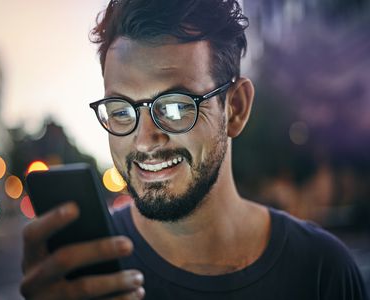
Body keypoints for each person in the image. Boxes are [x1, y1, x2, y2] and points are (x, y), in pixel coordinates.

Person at [20, 0, 369, 299]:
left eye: (174, 107)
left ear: (235, 108)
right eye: (122, 111)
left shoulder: (323, 272)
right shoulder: (81, 275)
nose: (144, 140)